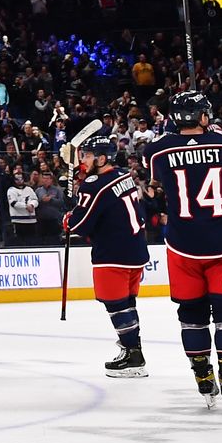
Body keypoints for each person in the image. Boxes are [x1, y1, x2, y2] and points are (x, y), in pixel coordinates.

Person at [145, 90, 222, 410]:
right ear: (202, 116)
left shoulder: (157, 151)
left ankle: (202, 375)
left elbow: (155, 181)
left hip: (183, 245)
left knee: (191, 317)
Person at [66, 137, 150, 378]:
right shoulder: (123, 176)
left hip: (113, 254)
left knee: (116, 305)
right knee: (127, 302)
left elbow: (80, 225)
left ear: (102, 159)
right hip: (136, 250)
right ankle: (131, 349)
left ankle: (134, 356)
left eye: (88, 156)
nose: (84, 161)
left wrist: (69, 219)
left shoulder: (94, 185)